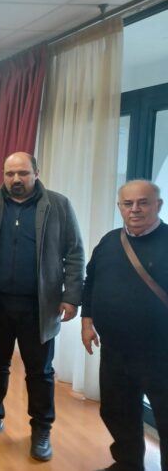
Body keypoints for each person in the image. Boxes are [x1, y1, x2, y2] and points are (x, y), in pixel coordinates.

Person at [0, 151, 84, 462]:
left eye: (22, 173)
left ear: (36, 172)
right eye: (10, 174)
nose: (16, 179)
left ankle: (42, 428)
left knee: (40, 371)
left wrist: (72, 296)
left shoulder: (58, 205)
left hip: (40, 306)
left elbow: (75, 252)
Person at [82, 180, 167, 471]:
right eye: (128, 203)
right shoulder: (109, 241)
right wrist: (86, 321)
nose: (135, 209)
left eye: (143, 202)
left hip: (161, 354)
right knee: (117, 411)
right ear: (119, 207)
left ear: (158, 205)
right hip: (115, 351)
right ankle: (128, 464)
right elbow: (90, 281)